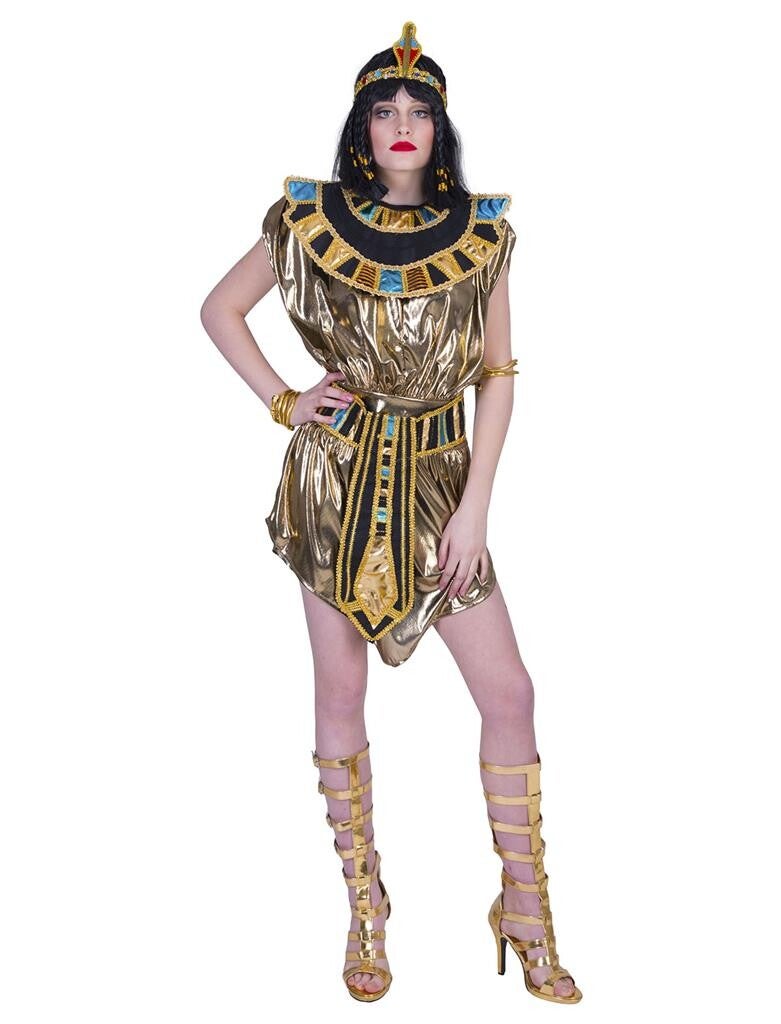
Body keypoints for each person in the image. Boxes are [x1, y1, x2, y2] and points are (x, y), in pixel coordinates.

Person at [200, 21, 581, 1005]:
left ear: (439, 129)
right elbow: (218, 309)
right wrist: (285, 401)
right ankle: (364, 902)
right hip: (334, 479)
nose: (401, 122)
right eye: (383, 109)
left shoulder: (482, 235)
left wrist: (475, 508)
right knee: (338, 690)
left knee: (509, 693)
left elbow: (497, 375)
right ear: (361, 127)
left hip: (441, 484)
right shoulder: (308, 222)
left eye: (418, 109)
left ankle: (524, 905)